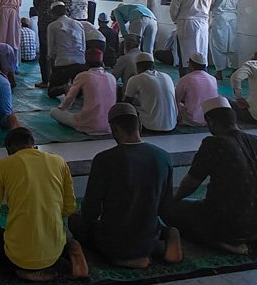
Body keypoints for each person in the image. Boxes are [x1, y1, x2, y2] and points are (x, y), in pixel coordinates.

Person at [69, 103, 183, 268]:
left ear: (114, 130)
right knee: (151, 223)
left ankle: (79, 250)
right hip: (149, 239)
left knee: (74, 220)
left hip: (113, 245)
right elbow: (165, 209)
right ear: (140, 125)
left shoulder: (104, 159)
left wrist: (82, 215)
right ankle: (168, 234)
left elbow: (91, 211)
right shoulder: (163, 156)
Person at [165, 102, 257, 258]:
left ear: (211, 122)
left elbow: (191, 183)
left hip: (226, 223)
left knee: (168, 211)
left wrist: (173, 200)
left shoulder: (215, 143)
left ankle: (223, 242)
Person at [0, 128, 88, 282]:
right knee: (63, 237)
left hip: (18, 256)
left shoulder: (2, 166)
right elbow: (70, 207)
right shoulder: (58, 161)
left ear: (9, 149)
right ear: (34, 145)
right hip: (54, 250)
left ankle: (24, 271)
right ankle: (70, 253)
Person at [51, 48, 118, 135]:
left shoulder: (83, 76)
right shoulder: (111, 77)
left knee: (53, 112)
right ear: (102, 62)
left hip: (88, 126)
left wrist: (61, 109)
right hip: (110, 126)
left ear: (86, 63)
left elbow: (69, 98)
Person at [31, 0, 75, 87]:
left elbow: (36, 3)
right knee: (62, 50)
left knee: (45, 52)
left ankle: (46, 80)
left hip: (45, 23)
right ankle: (61, 81)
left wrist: (43, 12)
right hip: (64, 24)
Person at [168, 0, 212, 73]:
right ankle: (203, 80)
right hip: (202, 24)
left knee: (185, 57)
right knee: (201, 55)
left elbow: (174, 9)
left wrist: (176, 20)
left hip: (186, 25)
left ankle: (186, 82)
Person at [124, 52, 178, 134]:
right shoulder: (167, 76)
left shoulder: (135, 79)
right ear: (153, 65)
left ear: (137, 66)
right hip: (172, 125)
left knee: (127, 108)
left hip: (150, 126)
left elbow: (127, 103)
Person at [46, 3, 88, 97]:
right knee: (79, 92)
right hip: (80, 63)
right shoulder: (79, 24)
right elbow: (83, 46)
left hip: (63, 63)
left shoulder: (52, 26)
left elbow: (51, 50)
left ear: (53, 13)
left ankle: (64, 88)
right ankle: (75, 89)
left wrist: (53, 67)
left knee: (51, 92)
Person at [208, 0, 241, 76]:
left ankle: (219, 72)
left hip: (220, 19)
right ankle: (235, 69)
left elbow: (211, 5)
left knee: (217, 46)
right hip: (233, 19)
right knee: (232, 44)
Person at [175, 53, 220, 127]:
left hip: (193, 119)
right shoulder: (213, 78)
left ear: (191, 65)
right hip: (210, 118)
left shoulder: (186, 79)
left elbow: (176, 100)